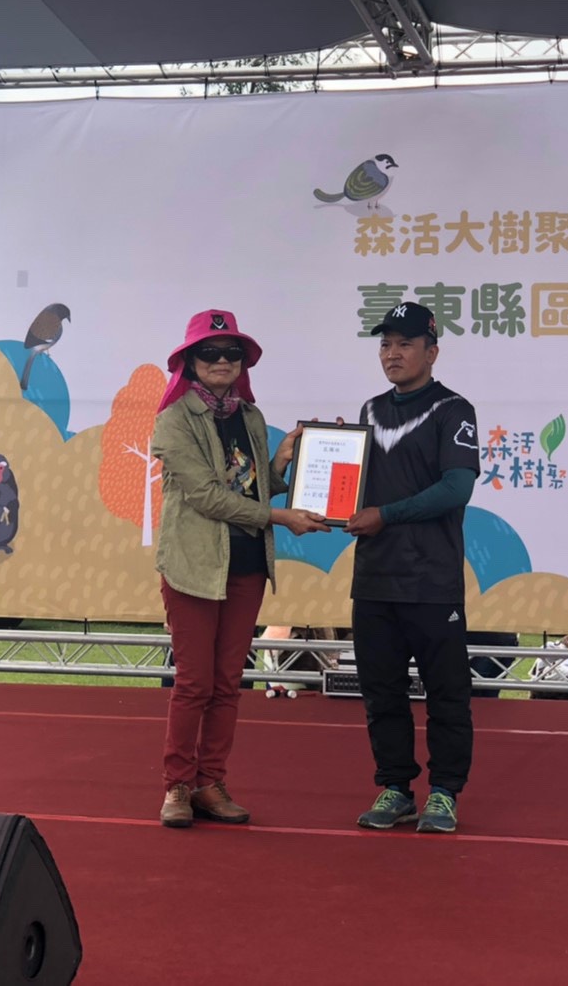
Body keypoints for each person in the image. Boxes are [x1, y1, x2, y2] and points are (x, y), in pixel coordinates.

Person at [151, 309, 329, 828]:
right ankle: (177, 786)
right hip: (194, 567)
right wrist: (280, 516)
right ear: (190, 361)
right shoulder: (173, 420)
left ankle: (210, 783)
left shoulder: (250, 416)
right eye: (209, 352)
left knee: (228, 683)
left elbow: (252, 488)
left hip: (246, 564)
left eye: (232, 353)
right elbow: (208, 497)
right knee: (194, 683)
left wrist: (283, 463)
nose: (222, 361)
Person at [344, 302, 481, 834]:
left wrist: (386, 514)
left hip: (431, 580)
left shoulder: (454, 410)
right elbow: (354, 485)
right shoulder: (370, 409)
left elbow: (456, 488)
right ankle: (396, 788)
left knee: (447, 694)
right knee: (381, 693)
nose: (392, 354)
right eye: (385, 344)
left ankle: (444, 792)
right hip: (374, 578)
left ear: (432, 352)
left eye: (405, 344)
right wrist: (327, 458)